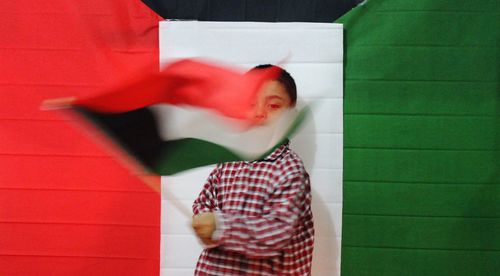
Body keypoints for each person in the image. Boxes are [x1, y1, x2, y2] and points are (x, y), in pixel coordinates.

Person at [192, 65, 314, 275]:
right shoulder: (229, 160)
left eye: (273, 106)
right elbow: (204, 201)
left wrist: (222, 226)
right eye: (250, 104)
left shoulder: (290, 170)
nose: (259, 113)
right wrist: (204, 221)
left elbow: (277, 232)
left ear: (291, 116)